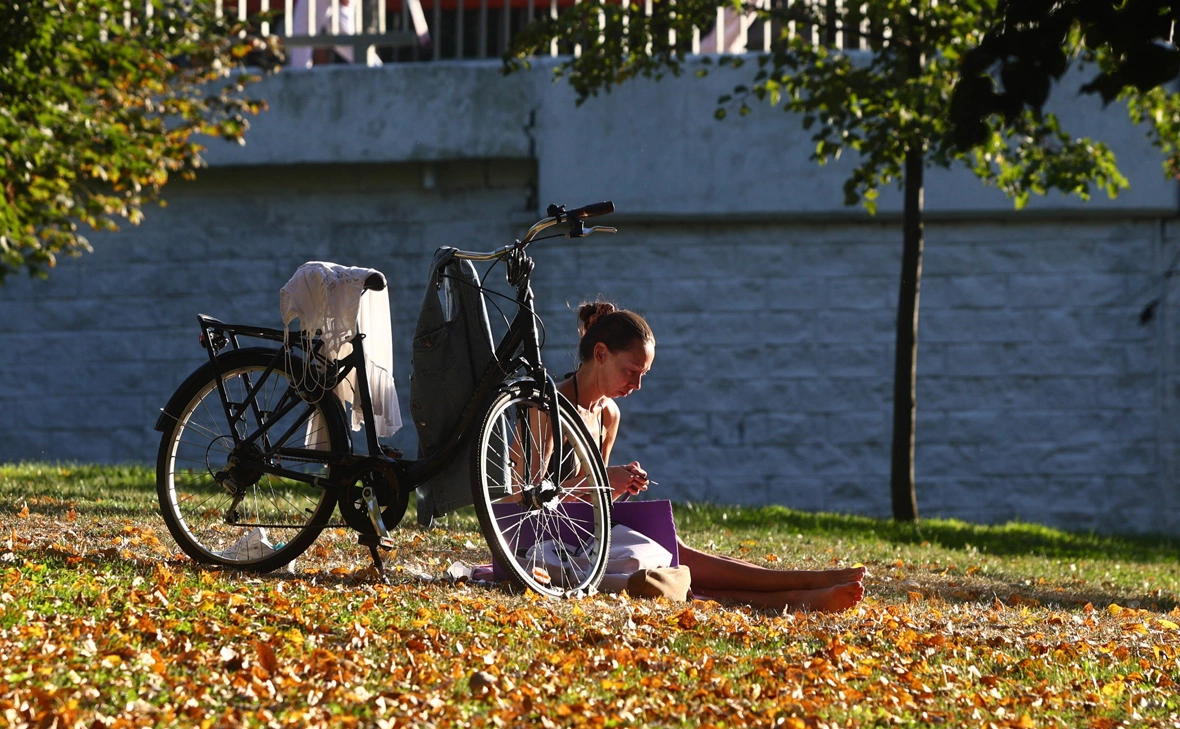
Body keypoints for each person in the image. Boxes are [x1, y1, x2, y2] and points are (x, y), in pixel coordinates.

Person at [554, 301, 866, 613]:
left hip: (590, 531)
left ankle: (803, 594)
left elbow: (595, 503)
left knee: (680, 554)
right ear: (600, 355)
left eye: (644, 374)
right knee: (680, 559)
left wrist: (619, 484)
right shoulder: (548, 405)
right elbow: (518, 500)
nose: (636, 385)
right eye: (631, 372)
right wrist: (605, 478)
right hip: (549, 540)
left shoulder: (609, 413)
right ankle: (806, 586)